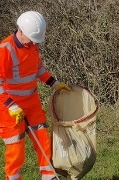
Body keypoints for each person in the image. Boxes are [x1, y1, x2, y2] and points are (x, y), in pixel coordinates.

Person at [0, 11, 71, 180]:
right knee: (16, 148)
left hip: (31, 103)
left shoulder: (32, 45)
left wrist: (54, 83)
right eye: (31, 39)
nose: (33, 43)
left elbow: (38, 68)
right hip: (9, 107)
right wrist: (11, 105)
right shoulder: (5, 49)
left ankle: (49, 175)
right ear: (21, 30)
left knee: (43, 139)